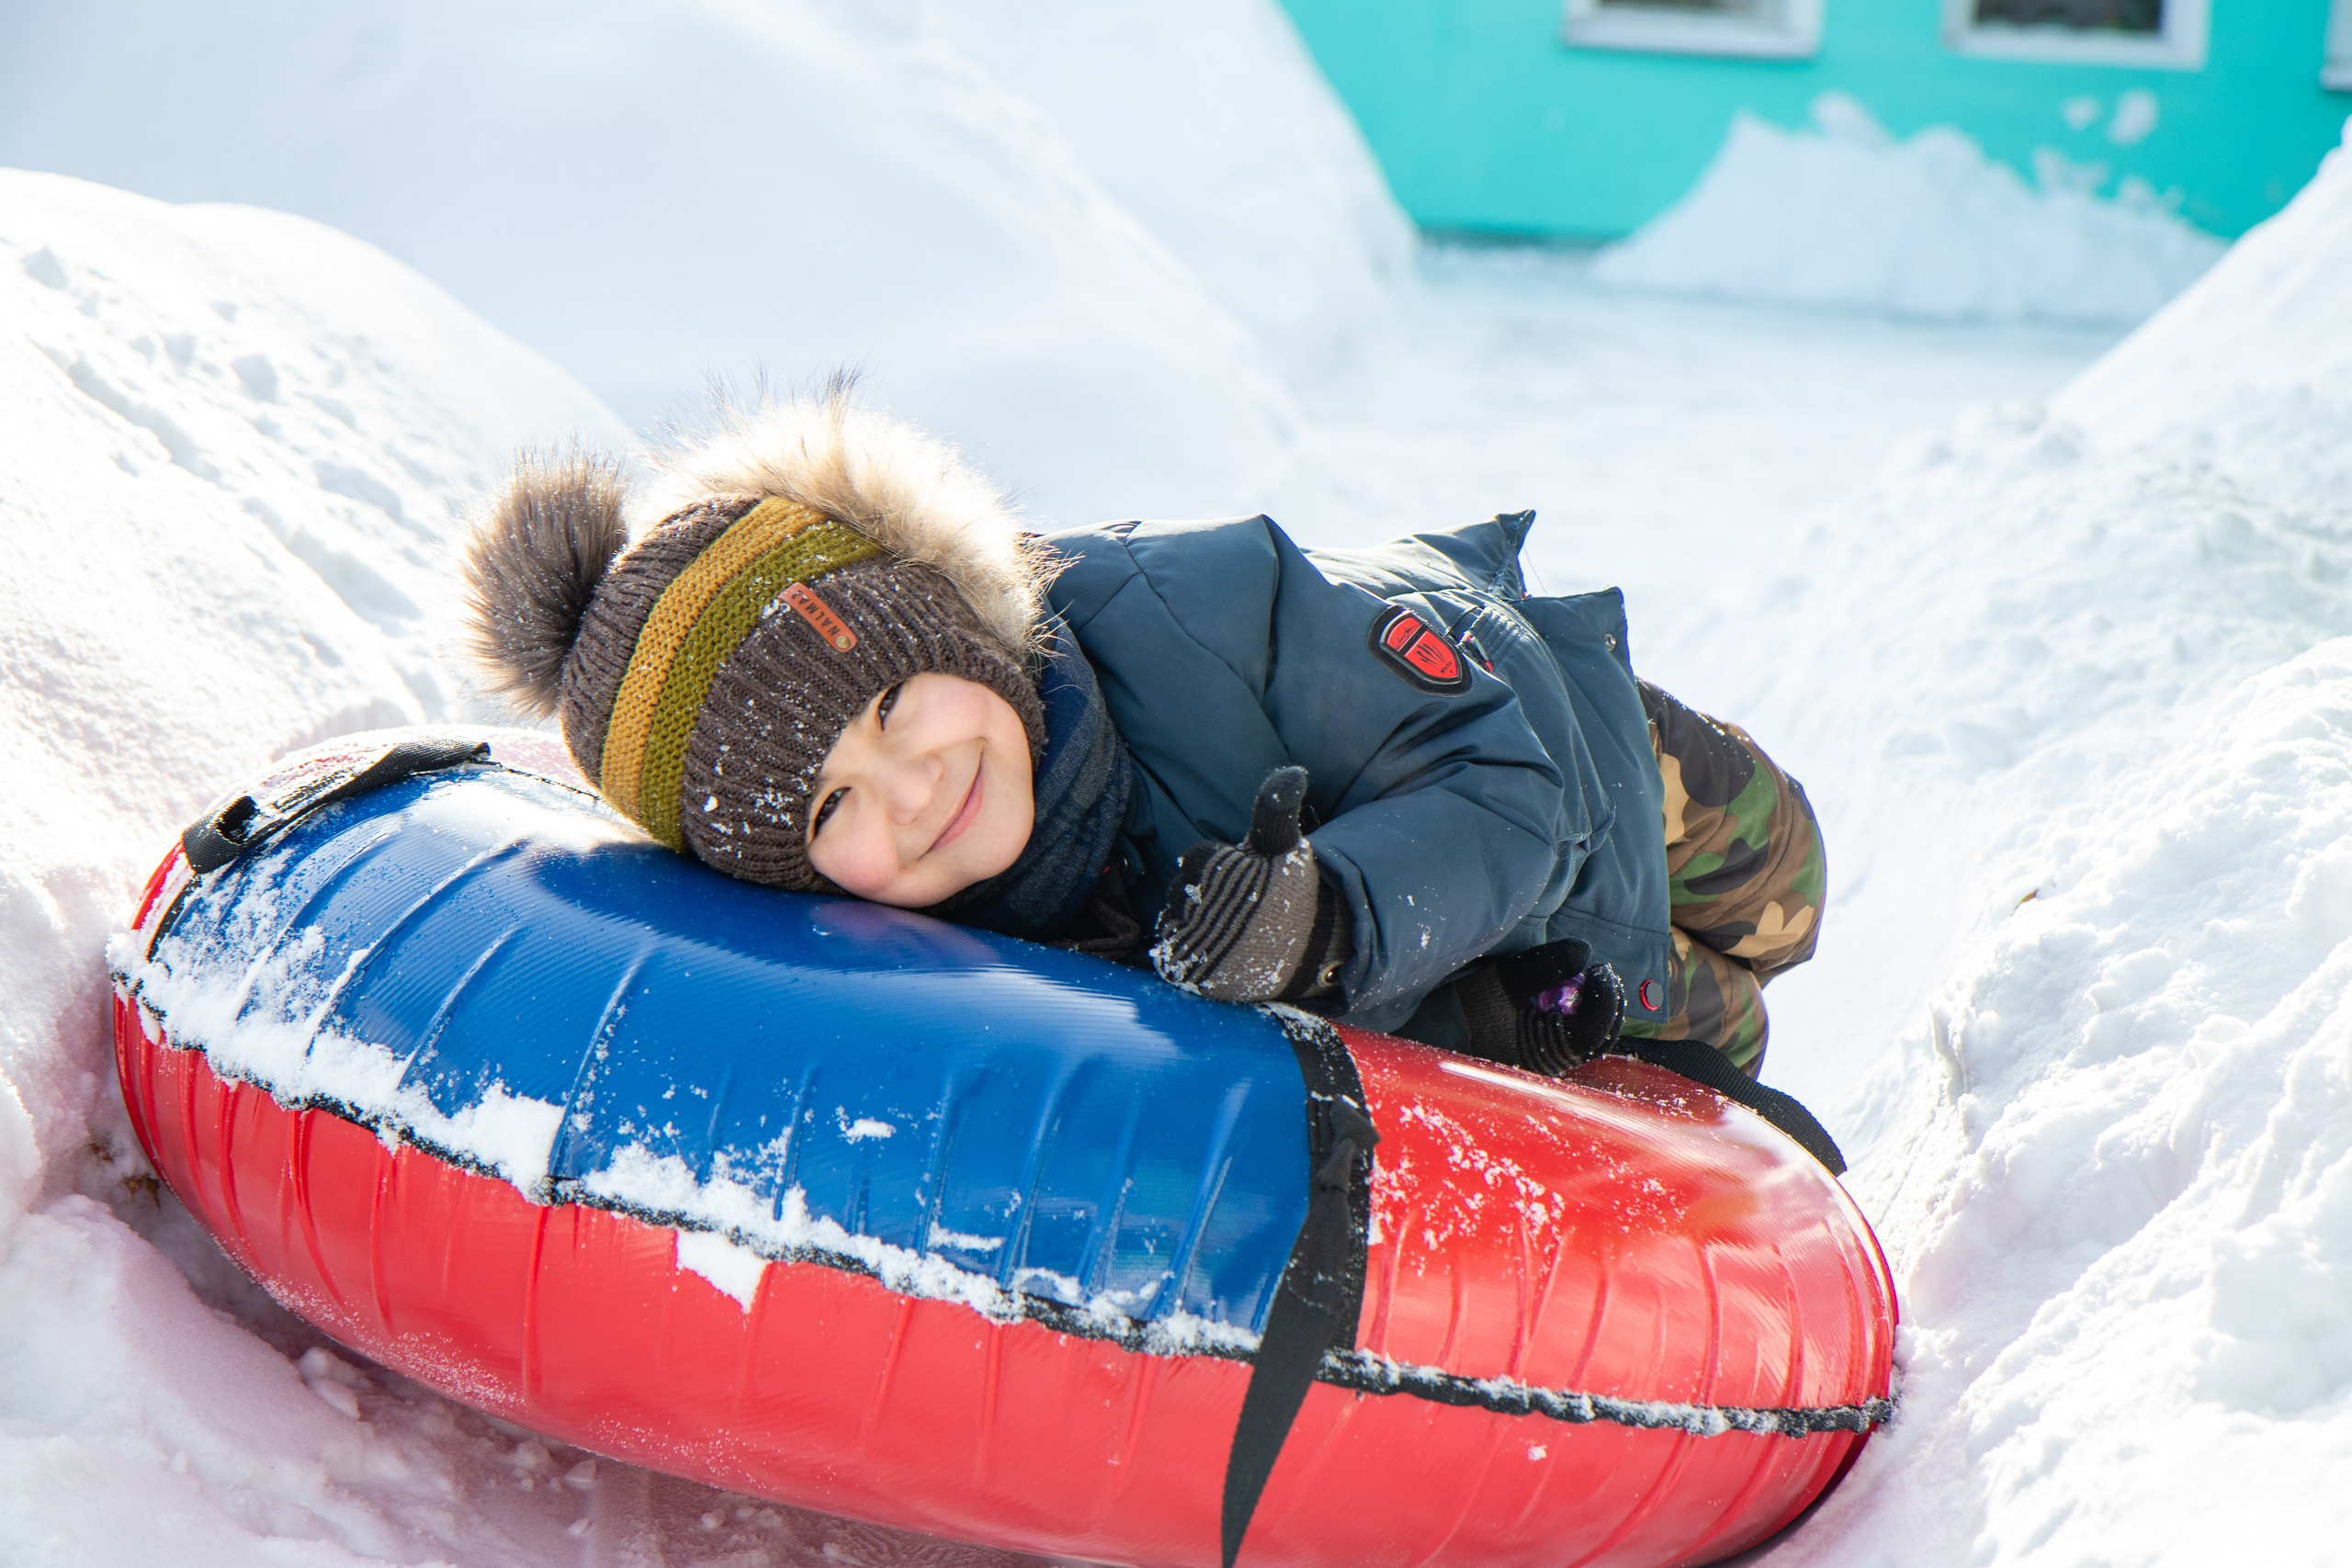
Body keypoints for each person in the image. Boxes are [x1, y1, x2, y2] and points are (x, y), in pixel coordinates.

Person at [459, 387, 1823, 1078]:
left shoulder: (1189, 611)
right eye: (827, 809)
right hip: (1549, 977)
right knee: (1732, 1042)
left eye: (888, 705)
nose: (911, 789)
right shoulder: (924, 945)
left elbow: (1501, 783)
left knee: (1792, 900)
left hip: (1580, 753)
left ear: (951, 623)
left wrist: (1324, 920)